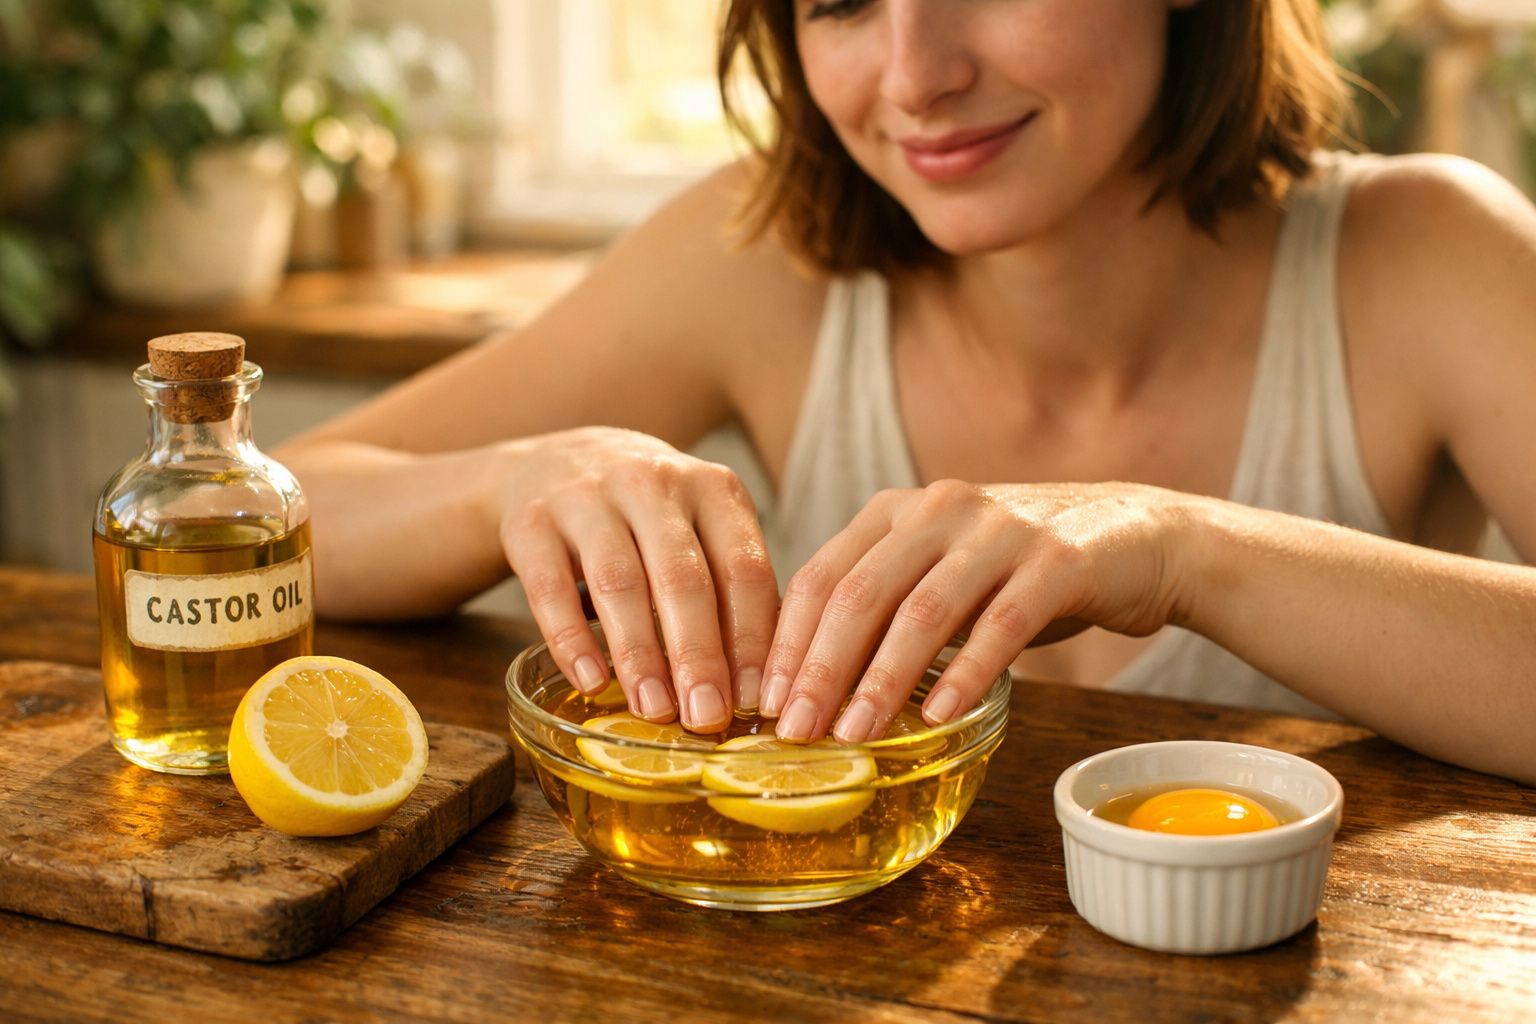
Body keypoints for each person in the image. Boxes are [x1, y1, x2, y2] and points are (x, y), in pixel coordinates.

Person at [275, 0, 1536, 786]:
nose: (916, 74)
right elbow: (268, 509)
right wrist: (513, 479)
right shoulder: (755, 254)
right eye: (840, 1)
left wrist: (1185, 548)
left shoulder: (1429, 253)